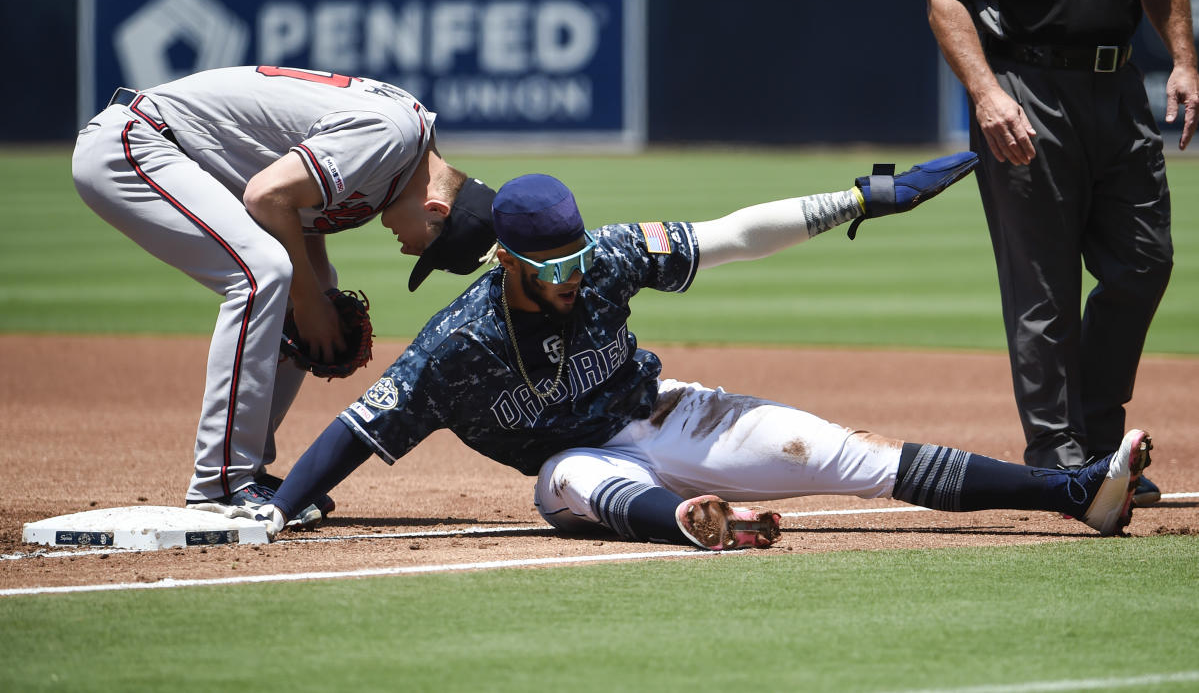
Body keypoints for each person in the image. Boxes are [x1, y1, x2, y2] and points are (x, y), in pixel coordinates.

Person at [248, 160, 1154, 549]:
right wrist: (282, 509)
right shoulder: (457, 345)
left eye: (573, 258)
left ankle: (1072, 493)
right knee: (565, 478)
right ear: (508, 263)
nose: (569, 276)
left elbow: (728, 236)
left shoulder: (603, 257)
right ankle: (684, 524)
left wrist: (853, 200)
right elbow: (358, 429)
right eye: (550, 265)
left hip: (659, 411)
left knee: (849, 458)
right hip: (585, 464)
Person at [71, 65, 498, 524]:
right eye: (426, 248)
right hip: (138, 142)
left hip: (167, 149)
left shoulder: (398, 159)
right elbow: (265, 195)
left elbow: (294, 211)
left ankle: (249, 470)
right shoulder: (389, 137)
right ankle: (220, 485)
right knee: (263, 274)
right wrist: (309, 303)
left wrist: (318, 300)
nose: (409, 250)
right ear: (435, 208)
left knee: (311, 285)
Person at [911, 0, 1198, 506]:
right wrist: (985, 94)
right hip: (1023, 86)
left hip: (1117, 86)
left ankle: (1099, 443)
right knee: (1042, 288)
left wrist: (1182, 59)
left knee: (1145, 263)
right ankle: (1061, 462)